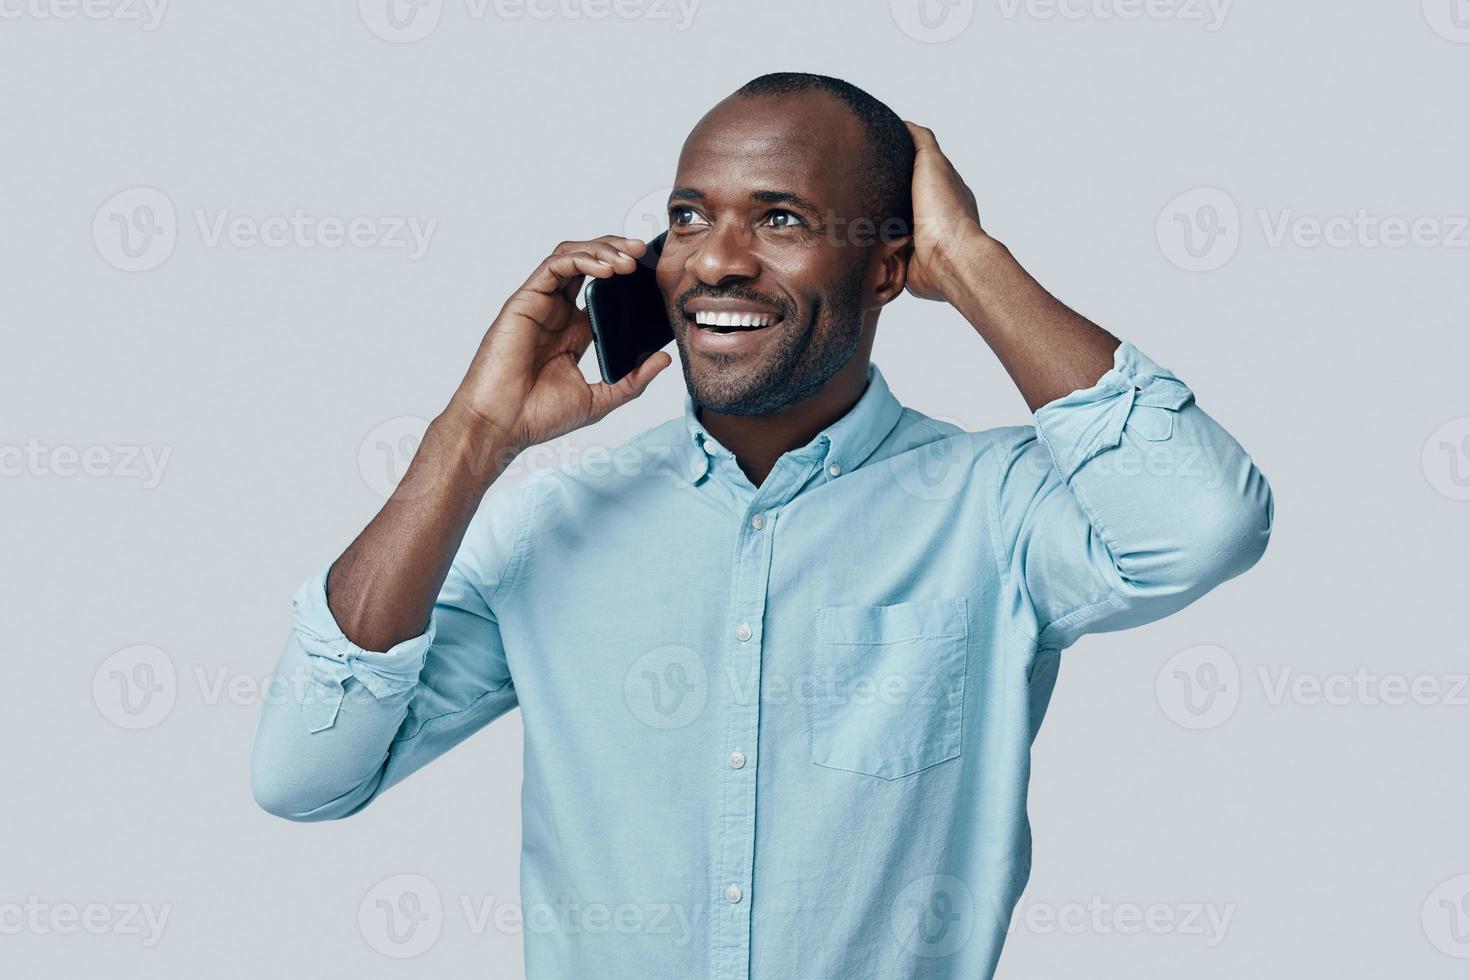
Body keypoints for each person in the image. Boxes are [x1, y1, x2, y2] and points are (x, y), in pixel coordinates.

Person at [250, 71, 1273, 979]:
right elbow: (305, 772)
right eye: (689, 217)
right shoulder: (550, 524)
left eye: (779, 219)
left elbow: (1204, 524)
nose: (715, 262)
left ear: (886, 266)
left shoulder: (994, 508)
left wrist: (968, 259)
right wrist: (472, 435)